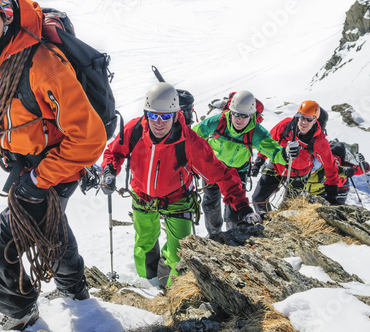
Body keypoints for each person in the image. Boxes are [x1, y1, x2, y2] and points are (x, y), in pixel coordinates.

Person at [0, 0, 107, 330]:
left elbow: (89, 139)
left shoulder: (44, 65)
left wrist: (39, 180)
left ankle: (23, 315)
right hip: (26, 162)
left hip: (56, 166)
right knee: (54, 228)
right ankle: (75, 290)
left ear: (6, 15)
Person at [101, 83, 261, 288]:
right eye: (153, 116)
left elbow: (220, 173)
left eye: (166, 116)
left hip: (177, 199)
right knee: (144, 244)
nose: (159, 122)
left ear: (176, 115)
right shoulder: (135, 129)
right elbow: (114, 152)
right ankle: (147, 285)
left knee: (180, 252)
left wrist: (242, 207)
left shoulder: (189, 141)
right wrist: (109, 171)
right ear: (146, 114)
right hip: (143, 196)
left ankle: (173, 289)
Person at [192, 90, 295, 235]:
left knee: (235, 208)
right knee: (210, 204)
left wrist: (284, 154)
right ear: (230, 111)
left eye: (245, 115)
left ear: (251, 115)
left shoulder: (256, 132)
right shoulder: (217, 121)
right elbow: (193, 137)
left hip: (237, 172)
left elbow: (272, 149)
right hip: (214, 169)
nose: (239, 119)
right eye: (236, 114)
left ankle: (232, 235)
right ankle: (214, 234)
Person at [252, 100, 342, 216]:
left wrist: (332, 192)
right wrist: (259, 161)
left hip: (299, 174)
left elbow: (330, 166)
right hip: (277, 166)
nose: (304, 122)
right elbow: (269, 143)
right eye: (302, 117)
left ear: (315, 121)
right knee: (258, 199)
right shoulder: (286, 125)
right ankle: (266, 221)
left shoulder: (319, 140)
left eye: (309, 119)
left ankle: (279, 224)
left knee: (289, 210)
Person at [306, 140, 370, 205]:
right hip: (328, 188)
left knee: (337, 206)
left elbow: (362, 170)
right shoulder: (322, 163)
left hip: (341, 189)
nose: (335, 164)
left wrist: (363, 164)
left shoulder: (344, 165)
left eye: (336, 162)